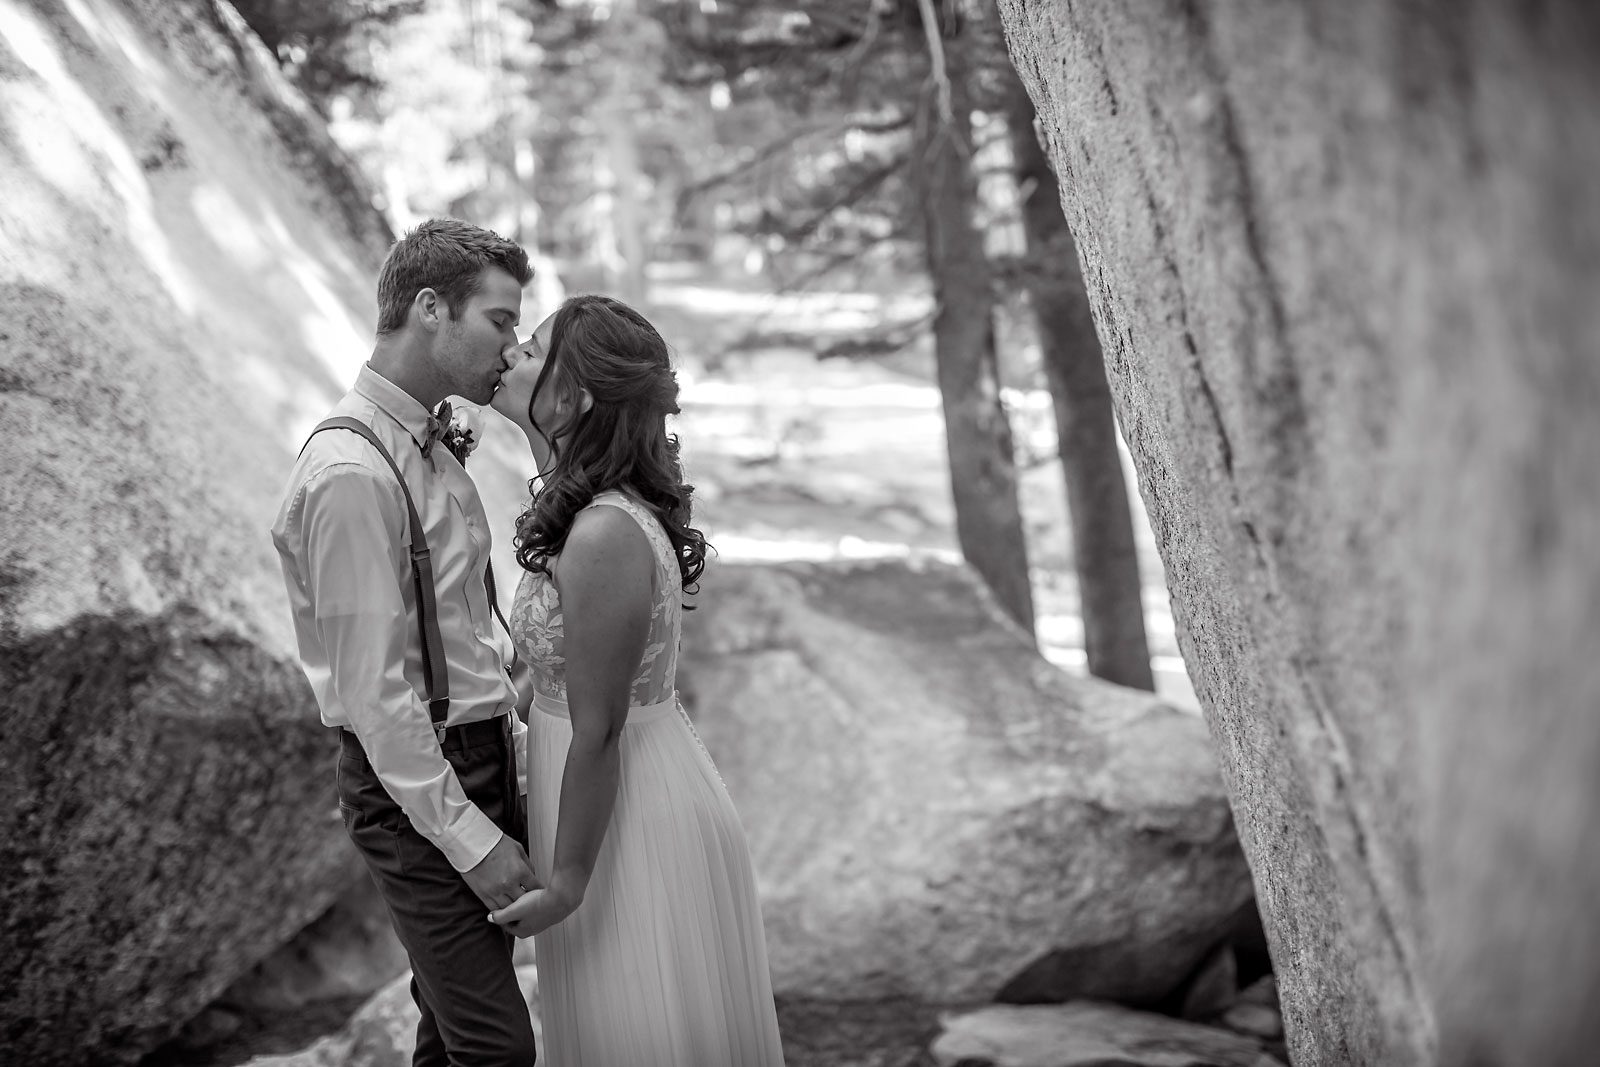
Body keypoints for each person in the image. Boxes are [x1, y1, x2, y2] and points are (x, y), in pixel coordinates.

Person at [485, 294, 786, 1066]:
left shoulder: (604, 532)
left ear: (576, 392)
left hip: (630, 824)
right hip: (598, 802)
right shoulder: (586, 510)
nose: (515, 349)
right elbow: (555, 672)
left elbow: (598, 726)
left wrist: (569, 883)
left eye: (536, 344)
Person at [271, 218, 540, 1066]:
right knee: (498, 1049)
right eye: (500, 321)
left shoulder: (429, 442)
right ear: (431, 307)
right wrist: (474, 838)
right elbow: (378, 699)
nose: (511, 344)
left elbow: (456, 638)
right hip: (420, 787)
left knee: (452, 1035)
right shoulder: (351, 474)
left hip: (478, 756)